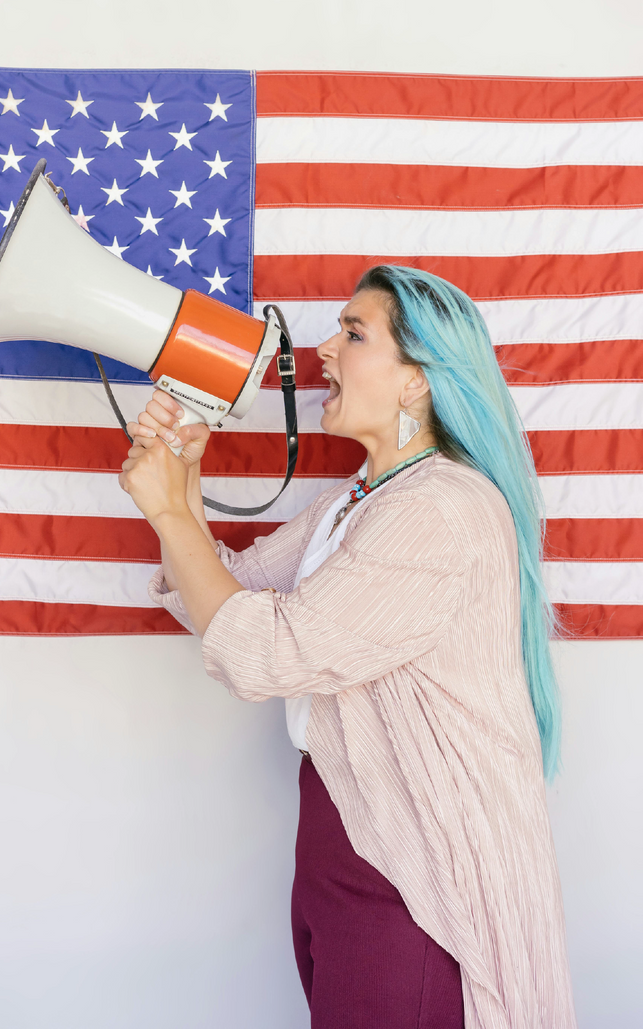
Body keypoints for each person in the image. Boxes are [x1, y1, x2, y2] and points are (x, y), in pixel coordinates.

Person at [119, 265, 577, 1029]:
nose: (323, 349)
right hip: (348, 843)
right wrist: (186, 482)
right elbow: (223, 593)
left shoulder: (439, 509)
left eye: (353, 333)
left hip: (416, 877)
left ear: (417, 383)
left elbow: (266, 653)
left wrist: (169, 512)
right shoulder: (361, 500)